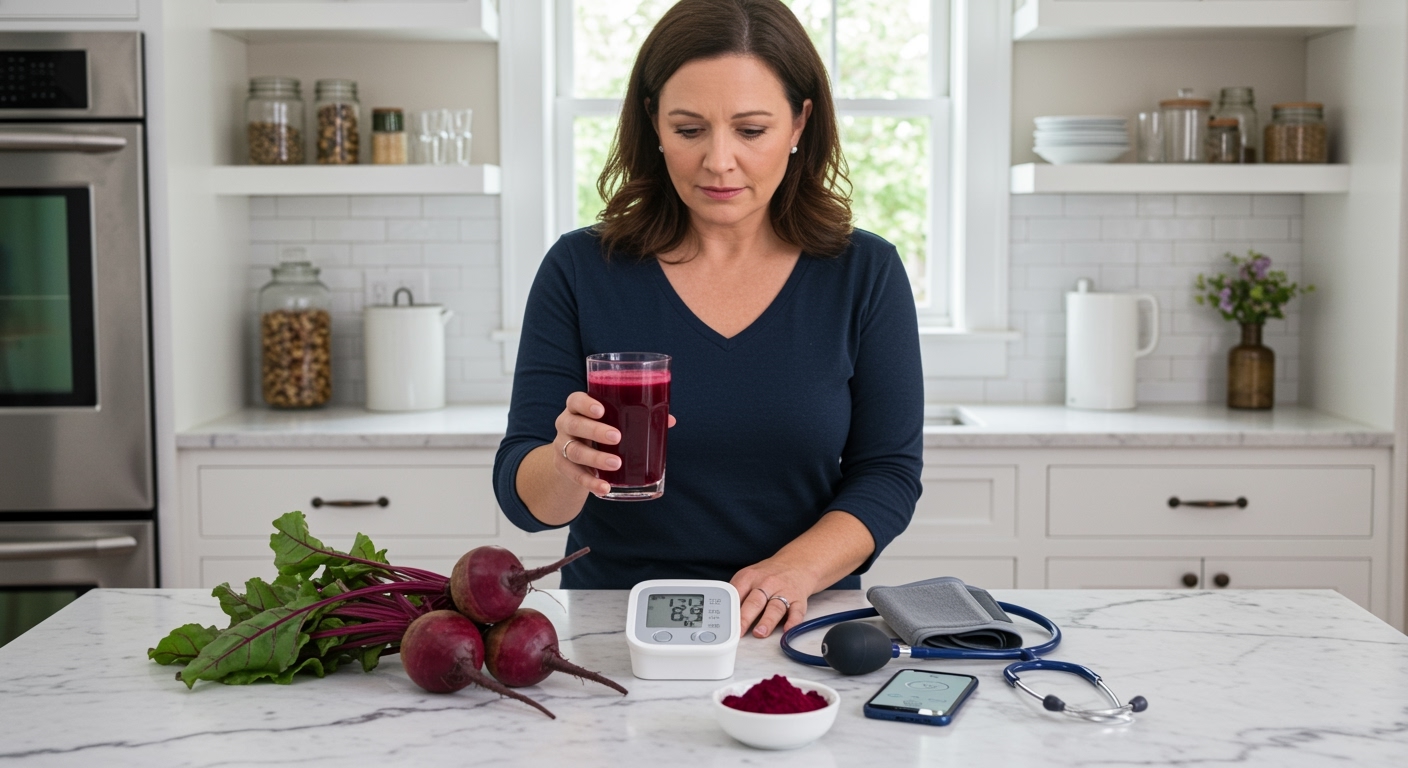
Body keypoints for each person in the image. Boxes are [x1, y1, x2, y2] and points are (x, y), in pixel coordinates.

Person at [494, 0, 923, 640]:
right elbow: (525, 501)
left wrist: (795, 570)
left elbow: (888, 474)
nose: (719, 161)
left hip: (794, 622)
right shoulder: (581, 268)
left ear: (800, 121)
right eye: (690, 129)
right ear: (655, 124)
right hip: (614, 628)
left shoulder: (865, 272)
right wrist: (566, 464)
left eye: (750, 130)